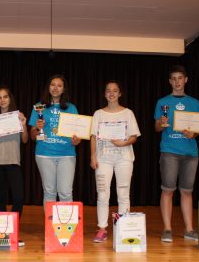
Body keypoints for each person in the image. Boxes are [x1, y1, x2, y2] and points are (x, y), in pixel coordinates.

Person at [154, 65, 199, 242]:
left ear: (186, 80)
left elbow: (198, 128)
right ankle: (167, 229)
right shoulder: (162, 102)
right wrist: (162, 122)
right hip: (169, 152)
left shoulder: (194, 102)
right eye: (173, 78)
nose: (177, 81)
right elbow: (157, 128)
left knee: (187, 191)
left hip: (191, 152)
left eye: (180, 78)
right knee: (167, 190)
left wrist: (193, 133)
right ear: (170, 82)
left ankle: (189, 229)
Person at [90, 81, 141, 243]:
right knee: (103, 193)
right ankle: (102, 228)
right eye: (108, 91)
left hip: (124, 158)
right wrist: (93, 156)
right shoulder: (98, 114)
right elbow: (93, 137)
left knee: (123, 193)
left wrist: (123, 143)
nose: (111, 93)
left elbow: (133, 137)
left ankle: (123, 228)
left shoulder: (128, 113)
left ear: (120, 93)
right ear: (105, 94)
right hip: (103, 159)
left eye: (115, 91)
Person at [0, 86, 28, 247]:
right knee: (1, 199)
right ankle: (3, 235)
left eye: (5, 97)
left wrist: (23, 124)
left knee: (18, 198)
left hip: (13, 161)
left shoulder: (18, 116)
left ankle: (12, 231)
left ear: (10, 98)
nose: (2, 100)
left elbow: (24, 140)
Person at [29, 74, 81, 206]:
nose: (55, 88)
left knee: (66, 193)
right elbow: (32, 135)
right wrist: (36, 128)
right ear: (48, 87)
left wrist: (76, 140)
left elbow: (77, 136)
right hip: (44, 154)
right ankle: (50, 226)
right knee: (49, 192)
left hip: (67, 154)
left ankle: (67, 226)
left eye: (59, 85)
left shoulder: (71, 108)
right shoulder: (39, 107)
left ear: (64, 89)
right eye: (53, 85)